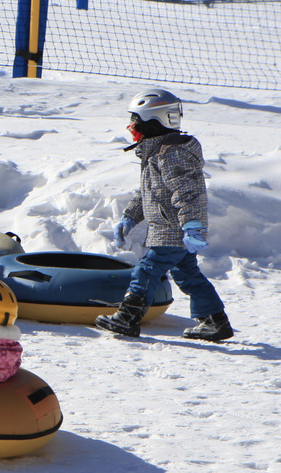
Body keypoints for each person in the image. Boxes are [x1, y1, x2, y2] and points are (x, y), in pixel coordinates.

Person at [95, 88, 234, 341]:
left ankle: (127, 318)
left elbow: (187, 191)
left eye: (135, 121)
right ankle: (215, 321)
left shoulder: (171, 153)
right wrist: (130, 216)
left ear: (153, 122)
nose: (130, 127)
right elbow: (147, 192)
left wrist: (192, 226)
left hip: (172, 228)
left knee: (146, 272)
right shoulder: (156, 151)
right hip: (168, 227)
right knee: (188, 275)